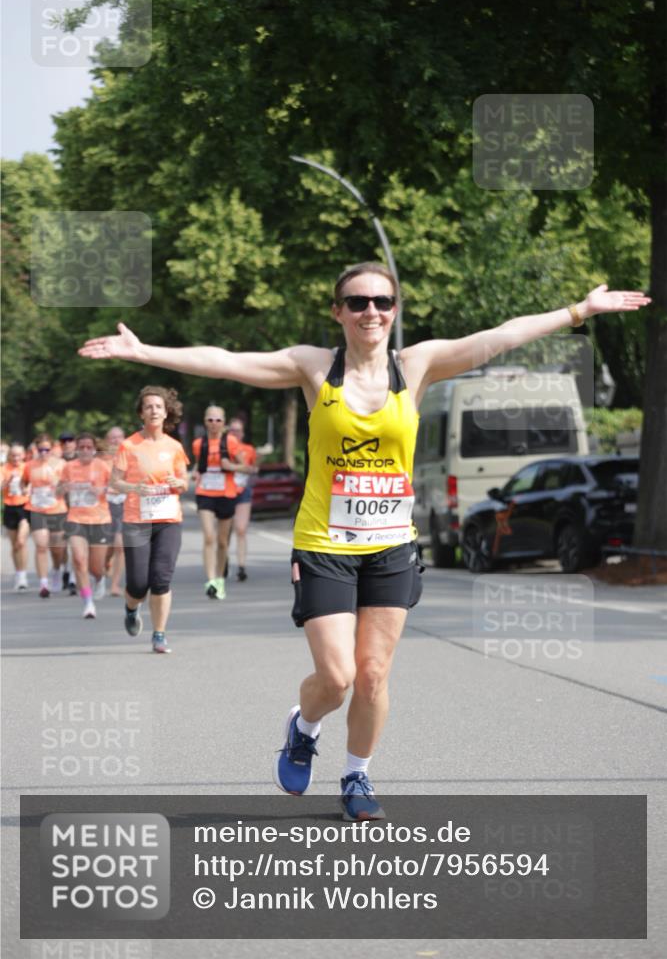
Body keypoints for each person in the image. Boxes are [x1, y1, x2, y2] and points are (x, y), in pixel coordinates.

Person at [79, 265, 651, 819]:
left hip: (390, 544)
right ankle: (302, 730)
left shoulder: (417, 365)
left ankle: (357, 774)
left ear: (394, 310)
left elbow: (498, 338)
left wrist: (579, 310)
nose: (370, 311)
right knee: (338, 678)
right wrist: (145, 352)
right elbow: (229, 363)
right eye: (358, 302)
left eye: (382, 301)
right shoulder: (313, 368)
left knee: (374, 674)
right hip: (326, 543)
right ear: (339, 312)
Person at [110, 386, 189, 654]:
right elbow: (115, 482)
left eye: (158, 406)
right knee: (138, 584)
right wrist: (134, 488)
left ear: (166, 412)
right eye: (148, 407)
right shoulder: (129, 445)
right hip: (137, 520)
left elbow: (184, 483)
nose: (154, 410)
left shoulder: (174, 447)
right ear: (141, 413)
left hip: (168, 519)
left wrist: (178, 482)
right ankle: (132, 609)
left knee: (161, 579)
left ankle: (159, 634)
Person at [191, 406, 257, 600]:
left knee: (222, 541)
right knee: (209, 537)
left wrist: (231, 466)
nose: (214, 423)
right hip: (205, 493)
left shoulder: (231, 442)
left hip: (226, 494)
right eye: (210, 420)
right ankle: (210, 579)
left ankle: (219, 579)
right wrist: (196, 472)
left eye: (218, 420)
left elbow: (247, 468)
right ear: (205, 421)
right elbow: (200, 464)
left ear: (224, 423)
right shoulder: (198, 443)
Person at [57, 432, 113, 619]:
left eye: (89, 447)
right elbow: (57, 491)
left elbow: (116, 488)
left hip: (100, 520)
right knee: (79, 560)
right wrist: (63, 488)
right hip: (76, 520)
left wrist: (102, 489)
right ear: (77, 449)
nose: (85, 450)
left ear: (94, 449)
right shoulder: (69, 467)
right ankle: (88, 603)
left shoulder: (103, 466)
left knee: (96, 567)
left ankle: (99, 578)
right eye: (82, 447)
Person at [22, 433, 68, 598]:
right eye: (40, 449)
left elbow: (67, 486)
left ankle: (56, 570)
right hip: (37, 509)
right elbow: (24, 483)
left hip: (57, 509)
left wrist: (59, 486)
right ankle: (43, 583)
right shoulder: (29, 465)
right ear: (36, 449)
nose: (43, 453)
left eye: (46, 450)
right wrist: (24, 490)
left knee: (57, 549)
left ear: (52, 449)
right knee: (41, 546)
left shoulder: (61, 465)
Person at [227, 416, 259, 582]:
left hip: (243, 491)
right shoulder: (222, 447)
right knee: (225, 531)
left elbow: (253, 468)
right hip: (225, 491)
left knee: (241, 529)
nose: (235, 433)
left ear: (243, 433)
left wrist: (251, 470)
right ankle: (223, 562)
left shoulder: (248, 449)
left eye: (238, 430)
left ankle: (241, 566)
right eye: (232, 430)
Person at [101, 426, 127, 596]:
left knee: (120, 546)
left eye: (119, 437)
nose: (116, 441)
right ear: (106, 441)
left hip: (124, 504)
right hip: (105, 505)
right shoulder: (101, 460)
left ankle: (115, 585)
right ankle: (105, 564)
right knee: (108, 546)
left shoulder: (131, 458)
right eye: (112, 438)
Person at [2, 443, 31, 590]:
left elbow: (31, 487)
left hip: (24, 507)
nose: (16, 458)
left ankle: (23, 574)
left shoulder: (27, 468)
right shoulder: (4, 468)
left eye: (18, 455)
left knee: (21, 541)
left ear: (23, 455)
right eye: (13, 455)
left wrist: (25, 487)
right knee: (14, 545)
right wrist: (8, 481)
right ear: (9, 456)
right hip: (9, 507)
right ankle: (18, 572)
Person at [58, 430, 78, 595]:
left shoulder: (82, 461)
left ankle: (72, 577)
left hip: (79, 508)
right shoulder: (56, 462)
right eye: (63, 441)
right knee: (61, 546)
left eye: (70, 440)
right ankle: (64, 570)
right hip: (59, 508)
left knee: (75, 544)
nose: (67, 443)